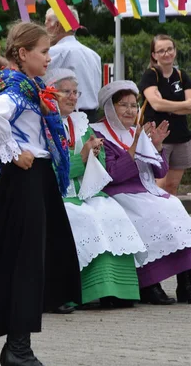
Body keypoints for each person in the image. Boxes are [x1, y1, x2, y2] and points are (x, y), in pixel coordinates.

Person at [0, 22, 81, 366]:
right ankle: (19, 349)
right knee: (25, 261)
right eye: (43, 51)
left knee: (33, 260)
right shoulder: (15, 88)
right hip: (23, 176)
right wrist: (12, 149)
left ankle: (17, 347)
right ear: (23, 54)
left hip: (35, 178)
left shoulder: (28, 87)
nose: (48, 58)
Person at [46, 68, 146, 308]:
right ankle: (71, 292)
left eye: (75, 92)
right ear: (51, 95)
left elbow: (100, 165)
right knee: (84, 218)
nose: (72, 97)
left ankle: (116, 290)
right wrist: (82, 157)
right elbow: (49, 172)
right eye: (65, 92)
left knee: (111, 213)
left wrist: (94, 155)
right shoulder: (45, 126)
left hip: (86, 190)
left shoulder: (80, 123)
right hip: (59, 195)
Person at [92, 81, 191, 305]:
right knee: (150, 215)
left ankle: (186, 283)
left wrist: (156, 146)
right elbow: (111, 175)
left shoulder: (135, 131)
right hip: (118, 193)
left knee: (175, 207)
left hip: (146, 192)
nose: (130, 111)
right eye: (123, 105)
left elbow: (160, 172)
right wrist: (134, 149)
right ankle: (149, 284)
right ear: (110, 107)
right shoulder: (97, 133)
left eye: (134, 105)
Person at [138, 34, 191, 196]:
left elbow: (190, 106)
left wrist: (166, 106)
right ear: (154, 55)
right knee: (158, 186)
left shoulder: (182, 75)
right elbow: (156, 104)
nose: (166, 53)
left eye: (169, 49)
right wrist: (181, 105)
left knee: (173, 186)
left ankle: (172, 220)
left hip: (181, 137)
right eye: (161, 51)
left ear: (174, 51)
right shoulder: (151, 75)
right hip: (158, 137)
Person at [44, 7, 102, 122]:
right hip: (93, 118)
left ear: (57, 26)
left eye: (46, 23)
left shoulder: (54, 52)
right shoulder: (94, 55)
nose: (44, 29)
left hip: (67, 119)